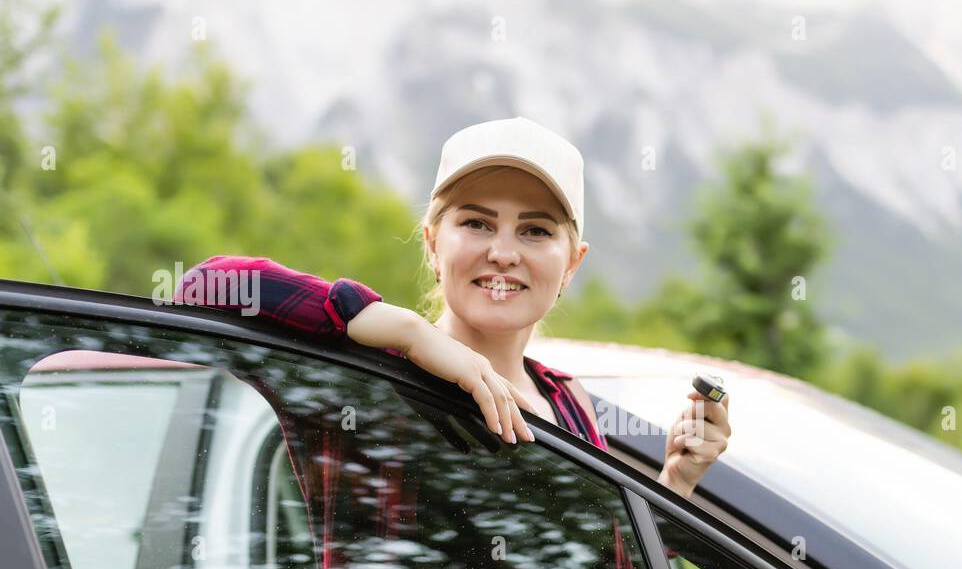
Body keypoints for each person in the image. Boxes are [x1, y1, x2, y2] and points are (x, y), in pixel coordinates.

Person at [178, 116, 730, 499]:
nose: (504, 252)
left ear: (572, 265)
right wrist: (411, 336)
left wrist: (674, 484)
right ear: (432, 244)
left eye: (535, 230)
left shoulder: (570, 402)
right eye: (476, 223)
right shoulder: (361, 372)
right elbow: (205, 285)